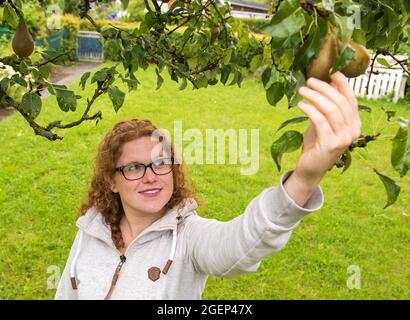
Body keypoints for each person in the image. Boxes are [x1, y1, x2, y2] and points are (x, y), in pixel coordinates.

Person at [55, 72, 361, 300]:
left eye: (161, 163)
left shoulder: (189, 238)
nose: (151, 176)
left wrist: (305, 179)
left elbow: (241, 242)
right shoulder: (90, 231)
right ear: (111, 180)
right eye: (134, 167)